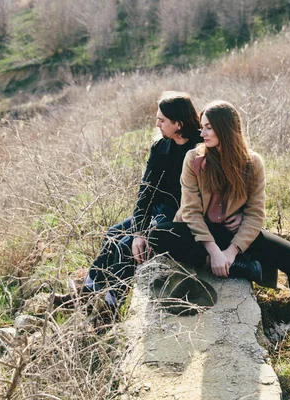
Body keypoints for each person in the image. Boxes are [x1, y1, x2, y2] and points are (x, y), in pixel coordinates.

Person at [149, 100, 290, 372]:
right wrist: (215, 252)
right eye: (202, 127)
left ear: (227, 129)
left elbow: (255, 214)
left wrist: (232, 250)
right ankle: (243, 269)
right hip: (201, 234)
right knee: (160, 234)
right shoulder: (194, 159)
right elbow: (190, 212)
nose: (202, 133)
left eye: (208, 128)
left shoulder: (252, 163)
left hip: (236, 234)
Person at [57, 92, 234, 312]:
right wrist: (139, 232)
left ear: (178, 124)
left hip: (180, 218)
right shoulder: (161, 148)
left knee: (124, 248)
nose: (156, 124)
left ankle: (110, 306)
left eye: (162, 120)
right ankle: (87, 294)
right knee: (113, 234)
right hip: (157, 212)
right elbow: (146, 192)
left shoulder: (202, 147)